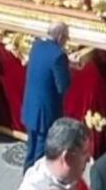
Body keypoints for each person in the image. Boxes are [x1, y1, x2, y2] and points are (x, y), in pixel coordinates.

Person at [21, 22, 71, 171]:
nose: (66, 41)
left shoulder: (36, 46)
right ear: (60, 36)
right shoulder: (58, 55)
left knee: (31, 150)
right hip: (46, 114)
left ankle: (26, 176)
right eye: (66, 37)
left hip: (31, 108)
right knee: (40, 155)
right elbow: (63, 85)